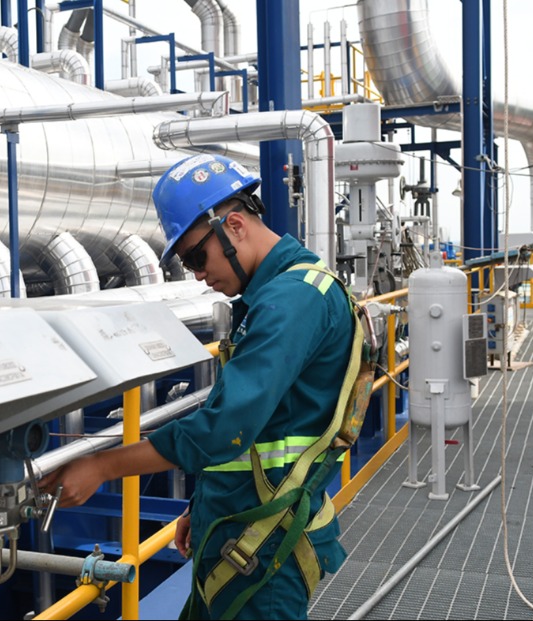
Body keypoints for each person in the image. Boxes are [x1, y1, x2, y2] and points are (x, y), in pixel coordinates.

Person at [38, 154, 357, 620]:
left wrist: (102, 467)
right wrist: (200, 503)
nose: (197, 275)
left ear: (235, 226)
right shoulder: (275, 295)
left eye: (195, 256)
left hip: (263, 546)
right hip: (236, 525)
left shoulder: (293, 301)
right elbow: (260, 428)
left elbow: (223, 429)